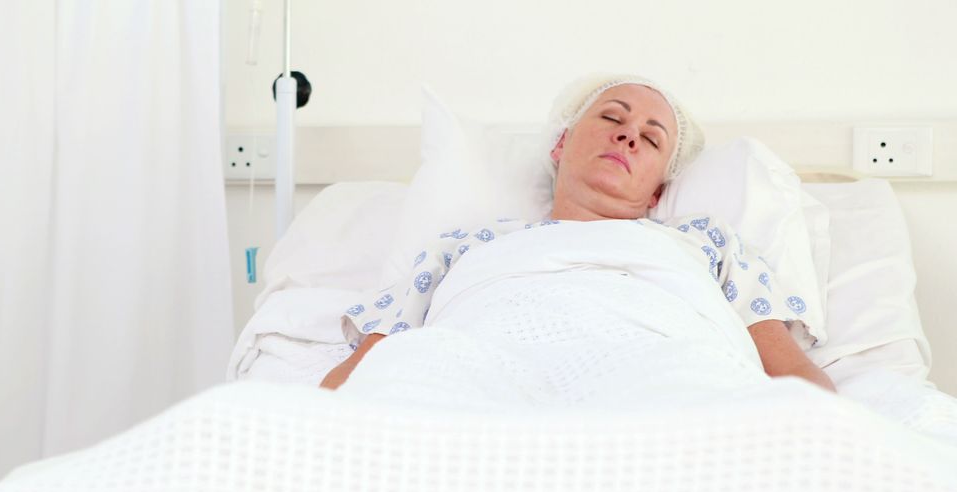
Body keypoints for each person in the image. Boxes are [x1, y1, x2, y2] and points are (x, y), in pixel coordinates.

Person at [320, 74, 835, 395]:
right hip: (477, 376)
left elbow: (787, 372)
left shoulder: (706, 245)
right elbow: (372, 368)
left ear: (658, 192)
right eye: (613, 117)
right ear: (561, 144)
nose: (629, 134)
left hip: (666, 376)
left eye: (652, 140)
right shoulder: (467, 245)